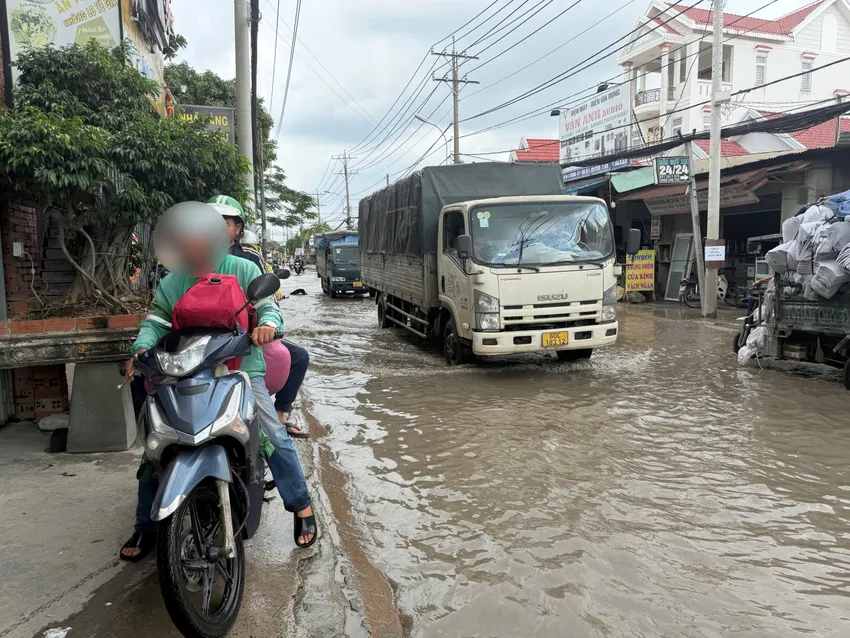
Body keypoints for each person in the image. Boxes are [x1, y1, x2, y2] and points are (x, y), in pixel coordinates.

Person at [120, 201, 317, 561]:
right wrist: (142, 347)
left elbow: (269, 306)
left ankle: (301, 506)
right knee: (155, 445)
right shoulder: (173, 278)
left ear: (233, 231)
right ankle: (146, 524)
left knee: (272, 434)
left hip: (240, 369)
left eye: (223, 224)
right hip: (181, 371)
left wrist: (269, 325)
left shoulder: (242, 268)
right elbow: (157, 320)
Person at [207, 195, 311, 439]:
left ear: (238, 228)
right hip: (198, 340)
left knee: (298, 358)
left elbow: (268, 296)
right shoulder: (187, 261)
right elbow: (163, 309)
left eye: (224, 222)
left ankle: (281, 415)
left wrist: (266, 323)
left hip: (244, 338)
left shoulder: (250, 261)